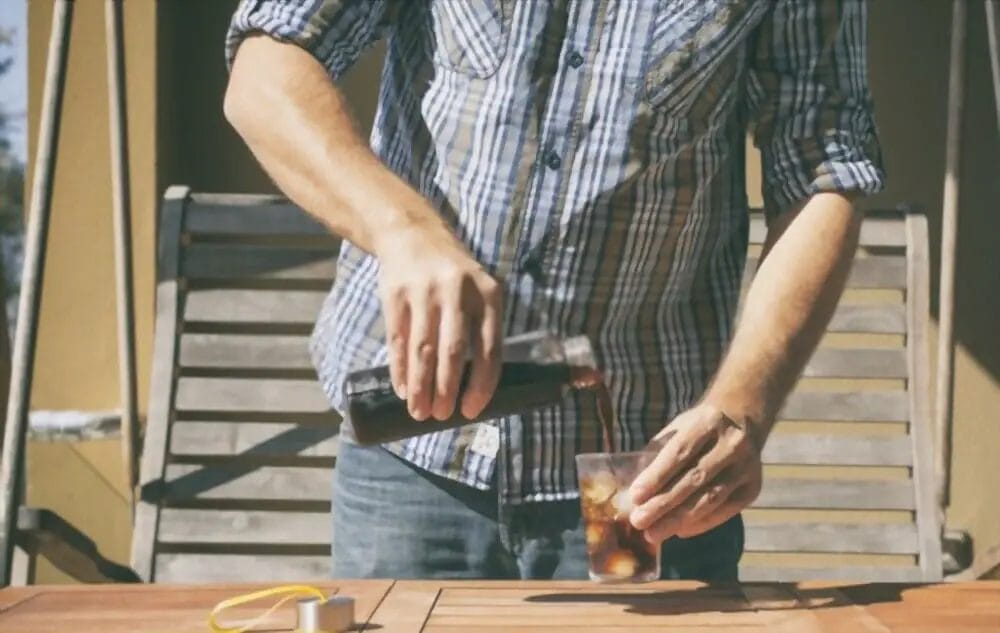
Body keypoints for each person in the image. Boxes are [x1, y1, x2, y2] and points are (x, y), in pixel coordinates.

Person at [223, 0, 884, 581]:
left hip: (645, 482)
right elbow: (266, 67)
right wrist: (403, 231)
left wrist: (745, 403)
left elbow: (824, 168)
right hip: (413, 460)